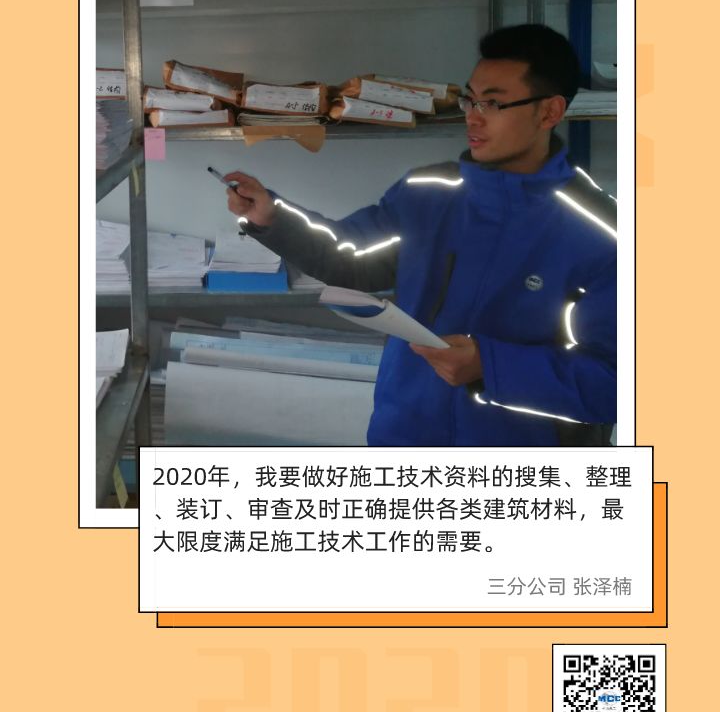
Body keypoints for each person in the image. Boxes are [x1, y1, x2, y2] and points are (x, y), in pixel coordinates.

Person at [224, 24, 616, 446]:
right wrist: (272, 217)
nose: (473, 116)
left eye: (493, 103)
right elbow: (349, 256)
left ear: (550, 113)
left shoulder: (602, 233)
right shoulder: (427, 193)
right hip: (406, 441)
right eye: (470, 99)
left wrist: (491, 367)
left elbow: (618, 384)